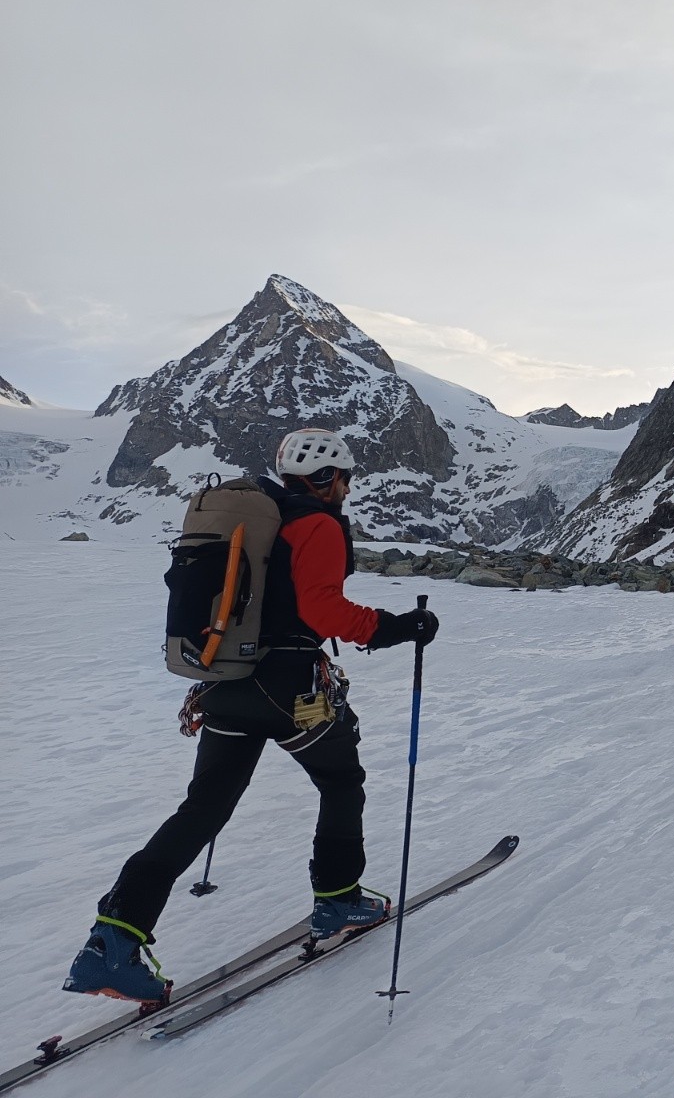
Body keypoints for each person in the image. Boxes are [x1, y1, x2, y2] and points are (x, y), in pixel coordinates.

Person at [63, 428, 440, 1004]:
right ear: (328, 478)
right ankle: (337, 897)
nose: (346, 488)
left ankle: (113, 939)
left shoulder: (259, 523)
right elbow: (323, 608)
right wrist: (397, 628)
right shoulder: (317, 525)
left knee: (202, 809)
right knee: (341, 779)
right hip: (287, 689)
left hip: (223, 683)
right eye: (344, 478)